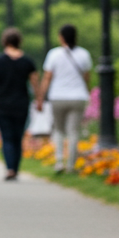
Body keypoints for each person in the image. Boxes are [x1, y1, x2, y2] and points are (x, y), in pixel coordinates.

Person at [35, 24, 94, 174]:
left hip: (58, 97)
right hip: (78, 97)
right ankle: (71, 166)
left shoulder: (54, 54)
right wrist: (87, 92)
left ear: (61, 37)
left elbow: (47, 78)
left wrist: (40, 97)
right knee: (73, 131)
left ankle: (59, 161)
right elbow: (87, 77)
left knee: (59, 130)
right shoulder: (84, 54)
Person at [0, 27, 37, 181]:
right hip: (22, 104)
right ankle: (15, 168)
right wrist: (39, 99)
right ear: (19, 42)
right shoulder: (28, 62)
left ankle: (10, 168)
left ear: (5, 42)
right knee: (18, 137)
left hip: (2, 105)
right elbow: (35, 83)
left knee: (7, 137)